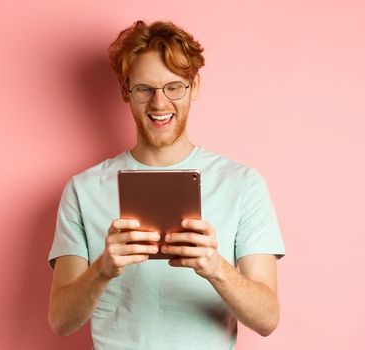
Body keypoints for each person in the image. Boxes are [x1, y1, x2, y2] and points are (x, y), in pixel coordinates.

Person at [47, 20, 285, 349]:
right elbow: (61, 321)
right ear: (125, 92)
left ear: (194, 86)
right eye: (144, 89)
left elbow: (267, 318)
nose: (159, 104)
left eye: (174, 87)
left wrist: (215, 267)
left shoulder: (243, 184)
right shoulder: (82, 189)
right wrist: (103, 268)